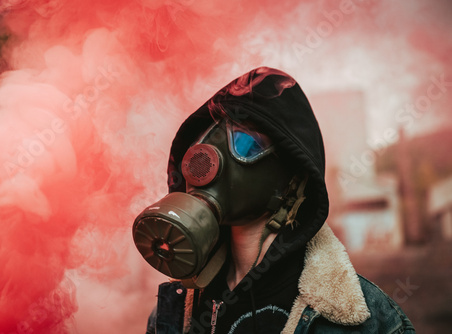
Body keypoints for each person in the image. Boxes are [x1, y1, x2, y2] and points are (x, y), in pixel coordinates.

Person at [132, 67, 415, 334]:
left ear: (294, 178)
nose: (204, 159)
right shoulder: (172, 312)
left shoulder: (367, 320)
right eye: (200, 141)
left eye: (244, 142)